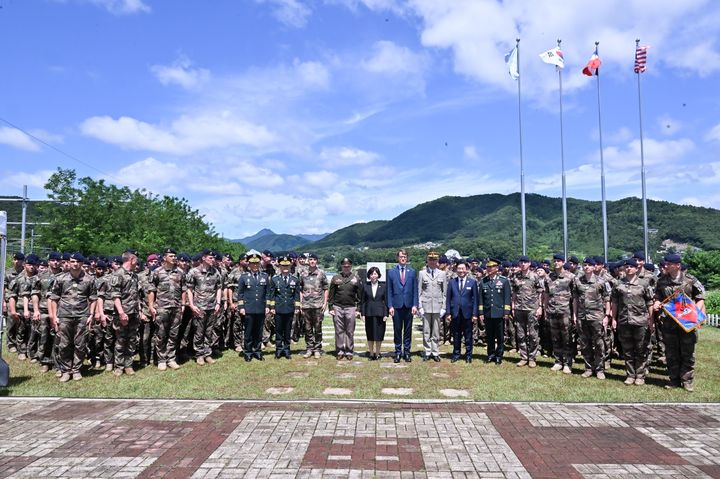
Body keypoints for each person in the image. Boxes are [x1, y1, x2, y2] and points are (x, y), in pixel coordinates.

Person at [654, 253, 705, 391]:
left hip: (687, 322)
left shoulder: (690, 280)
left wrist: (696, 315)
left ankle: (687, 381)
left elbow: (700, 298)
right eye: (666, 264)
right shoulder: (661, 281)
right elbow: (657, 296)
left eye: (669, 264)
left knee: (687, 353)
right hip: (669, 324)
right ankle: (674, 380)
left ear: (678, 266)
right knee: (671, 353)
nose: (666, 266)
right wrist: (657, 303)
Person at [48, 252, 97, 382]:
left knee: (80, 344)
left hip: (82, 316)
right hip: (64, 316)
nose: (75, 264)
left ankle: (76, 369)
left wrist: (91, 315)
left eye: (78, 262)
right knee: (64, 344)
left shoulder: (89, 279)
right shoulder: (61, 279)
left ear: (82, 263)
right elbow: (54, 299)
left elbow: (93, 299)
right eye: (73, 261)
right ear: (69, 263)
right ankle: (65, 370)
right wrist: (54, 317)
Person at [611, 258, 655, 386]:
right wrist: (613, 318)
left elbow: (650, 302)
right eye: (627, 267)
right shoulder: (618, 284)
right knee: (627, 349)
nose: (628, 268)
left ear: (636, 269)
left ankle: (640, 375)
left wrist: (651, 320)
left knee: (641, 348)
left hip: (640, 321)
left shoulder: (644, 284)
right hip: (624, 321)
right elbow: (615, 302)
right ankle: (630, 375)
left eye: (631, 267)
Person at [147, 248, 186, 371]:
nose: (174, 258)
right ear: (164, 258)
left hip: (176, 307)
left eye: (175, 255)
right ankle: (161, 359)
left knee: (174, 334)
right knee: (161, 334)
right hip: (162, 307)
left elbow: (184, 289)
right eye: (171, 256)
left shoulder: (180, 272)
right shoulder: (157, 272)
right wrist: (151, 306)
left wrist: (183, 304)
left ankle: (171, 358)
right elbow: (151, 290)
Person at [107, 249, 144, 376]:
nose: (137, 261)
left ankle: (128, 365)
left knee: (132, 339)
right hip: (122, 313)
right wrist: (122, 313)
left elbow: (136, 295)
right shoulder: (118, 274)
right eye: (136, 259)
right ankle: (119, 366)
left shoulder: (134, 275)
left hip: (133, 313)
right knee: (121, 340)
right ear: (132, 259)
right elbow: (115, 296)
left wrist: (139, 310)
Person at [572, 257, 610, 380]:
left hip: (597, 316)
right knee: (585, 343)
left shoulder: (601, 281)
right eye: (585, 265)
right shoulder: (578, 281)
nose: (586, 267)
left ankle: (599, 369)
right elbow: (575, 299)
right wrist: (574, 314)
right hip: (582, 317)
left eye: (589, 265)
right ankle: (588, 368)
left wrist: (607, 315)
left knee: (599, 343)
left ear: (594, 267)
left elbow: (607, 299)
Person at [186, 249, 223, 365]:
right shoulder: (194, 272)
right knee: (199, 331)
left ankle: (207, 353)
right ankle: (199, 355)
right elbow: (189, 289)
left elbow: (219, 288)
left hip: (212, 306)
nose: (213, 260)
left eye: (213, 258)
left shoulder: (215, 272)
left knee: (209, 331)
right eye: (210, 258)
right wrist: (191, 305)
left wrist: (218, 303)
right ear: (203, 258)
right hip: (199, 307)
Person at [543, 253, 576, 374]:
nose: (556, 263)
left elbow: (575, 297)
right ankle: (558, 361)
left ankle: (567, 363)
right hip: (552, 311)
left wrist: (574, 314)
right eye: (555, 261)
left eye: (558, 261)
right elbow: (546, 295)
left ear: (563, 262)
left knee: (567, 338)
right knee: (555, 337)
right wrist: (545, 309)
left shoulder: (571, 277)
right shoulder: (549, 277)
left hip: (565, 312)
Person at [236, 253, 271, 361]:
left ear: (259, 263)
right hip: (248, 308)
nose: (255, 265)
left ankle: (257, 351)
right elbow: (240, 293)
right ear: (249, 264)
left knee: (259, 331)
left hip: (260, 308)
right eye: (252, 263)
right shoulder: (244, 277)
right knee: (248, 331)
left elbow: (268, 293)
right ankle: (248, 352)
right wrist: (241, 307)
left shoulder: (264, 276)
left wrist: (267, 306)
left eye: (256, 263)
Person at [511, 255, 543, 368]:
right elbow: (514, 293)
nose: (523, 264)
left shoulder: (535, 276)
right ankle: (524, 357)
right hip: (519, 308)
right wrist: (513, 306)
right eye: (521, 262)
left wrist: (540, 307)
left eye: (525, 262)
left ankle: (532, 358)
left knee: (533, 334)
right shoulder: (515, 276)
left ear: (529, 263)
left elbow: (540, 293)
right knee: (520, 334)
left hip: (532, 309)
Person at [386, 249, 418, 363]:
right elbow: (389, 291)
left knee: (408, 331)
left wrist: (415, 305)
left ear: (407, 258)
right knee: (397, 330)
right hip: (397, 306)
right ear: (397, 258)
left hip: (409, 306)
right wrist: (390, 306)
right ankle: (398, 352)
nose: (403, 258)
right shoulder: (391, 272)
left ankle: (407, 352)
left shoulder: (412, 272)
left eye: (404, 256)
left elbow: (415, 290)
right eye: (401, 256)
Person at [328, 257, 362, 360]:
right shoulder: (335, 278)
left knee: (350, 331)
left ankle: (349, 351)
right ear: (341, 266)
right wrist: (330, 307)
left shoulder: (356, 278)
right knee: (339, 330)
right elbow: (331, 294)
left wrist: (358, 309)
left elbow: (360, 295)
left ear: (351, 266)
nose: (346, 268)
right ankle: (340, 351)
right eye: (344, 266)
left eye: (348, 266)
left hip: (351, 307)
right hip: (337, 307)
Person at [479, 259, 512, 365]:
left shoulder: (504, 280)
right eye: (488, 267)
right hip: (488, 313)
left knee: (500, 336)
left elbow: (507, 297)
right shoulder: (483, 281)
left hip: (499, 313)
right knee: (489, 336)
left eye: (491, 267)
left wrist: (506, 312)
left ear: (497, 268)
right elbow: (481, 299)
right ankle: (491, 354)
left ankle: (499, 355)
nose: (489, 269)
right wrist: (481, 313)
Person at [445, 260, 478, 363]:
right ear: (456, 269)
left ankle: (468, 355)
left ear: (467, 270)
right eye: (459, 268)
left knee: (468, 335)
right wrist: (448, 313)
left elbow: (475, 300)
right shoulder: (452, 282)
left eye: (463, 268)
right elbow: (448, 299)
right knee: (456, 335)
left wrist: (474, 314)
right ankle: (456, 354)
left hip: (468, 313)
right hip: (455, 312)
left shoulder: (472, 282)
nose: (461, 271)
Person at [268, 256, 300, 359]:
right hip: (278, 308)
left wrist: (297, 307)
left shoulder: (295, 279)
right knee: (278, 330)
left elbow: (297, 295)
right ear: (280, 266)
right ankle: (278, 349)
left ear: (290, 266)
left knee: (287, 330)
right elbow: (272, 294)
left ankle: (286, 350)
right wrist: (272, 307)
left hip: (290, 308)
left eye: (287, 265)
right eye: (283, 265)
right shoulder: (274, 279)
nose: (285, 267)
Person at [418, 252, 446, 362]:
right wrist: (420, 306)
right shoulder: (422, 273)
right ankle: (427, 351)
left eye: (434, 260)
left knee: (436, 330)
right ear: (427, 261)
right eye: (430, 260)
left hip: (438, 306)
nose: (433, 262)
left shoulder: (442, 274)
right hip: (426, 305)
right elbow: (419, 291)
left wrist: (443, 307)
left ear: (437, 261)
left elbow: (444, 292)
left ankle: (435, 352)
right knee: (426, 330)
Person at [299, 254, 328, 359]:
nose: (312, 261)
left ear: (317, 261)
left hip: (318, 305)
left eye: (314, 259)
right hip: (306, 305)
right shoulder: (303, 274)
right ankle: (309, 348)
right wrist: (301, 303)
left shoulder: (321, 274)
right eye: (310, 259)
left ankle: (317, 349)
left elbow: (325, 288)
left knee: (318, 328)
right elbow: (300, 289)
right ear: (308, 261)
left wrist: (325, 303)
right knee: (307, 328)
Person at [360, 266, 388, 360]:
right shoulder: (365, 286)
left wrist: (386, 314)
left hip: (380, 313)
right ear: (369, 275)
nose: (373, 276)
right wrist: (362, 314)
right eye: (372, 274)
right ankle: (371, 353)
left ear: (378, 275)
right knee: (370, 333)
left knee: (379, 334)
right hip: (369, 313)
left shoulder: (383, 286)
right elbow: (363, 301)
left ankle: (378, 353)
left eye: (375, 273)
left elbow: (386, 301)